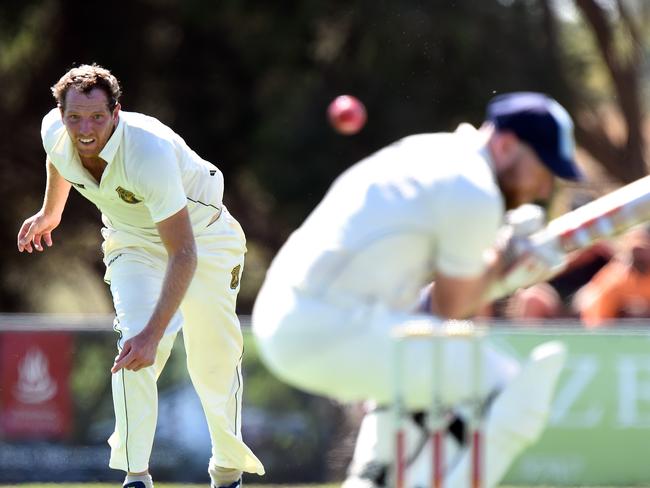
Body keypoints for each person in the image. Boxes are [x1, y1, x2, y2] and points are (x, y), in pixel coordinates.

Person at [252, 92, 582, 488]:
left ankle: (371, 477)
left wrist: (502, 253)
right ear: (507, 144)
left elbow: (428, 312)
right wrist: (510, 259)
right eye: (543, 169)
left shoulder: (429, 152)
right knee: (507, 388)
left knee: (417, 383)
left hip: (293, 318)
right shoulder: (473, 189)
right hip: (332, 326)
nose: (544, 189)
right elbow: (451, 308)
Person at [16, 64, 264, 488]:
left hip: (202, 239)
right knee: (132, 346)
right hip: (131, 240)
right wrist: (51, 211)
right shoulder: (54, 131)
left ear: (116, 112)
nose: (85, 129)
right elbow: (58, 158)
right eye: (74, 118)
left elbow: (183, 253)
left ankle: (227, 467)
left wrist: (156, 333)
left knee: (212, 358)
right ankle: (136, 476)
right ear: (61, 115)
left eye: (97, 117)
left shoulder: (147, 153)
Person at [575, 225, 650, 326]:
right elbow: (598, 323)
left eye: (643, 249)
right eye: (635, 250)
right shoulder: (612, 279)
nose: (639, 255)